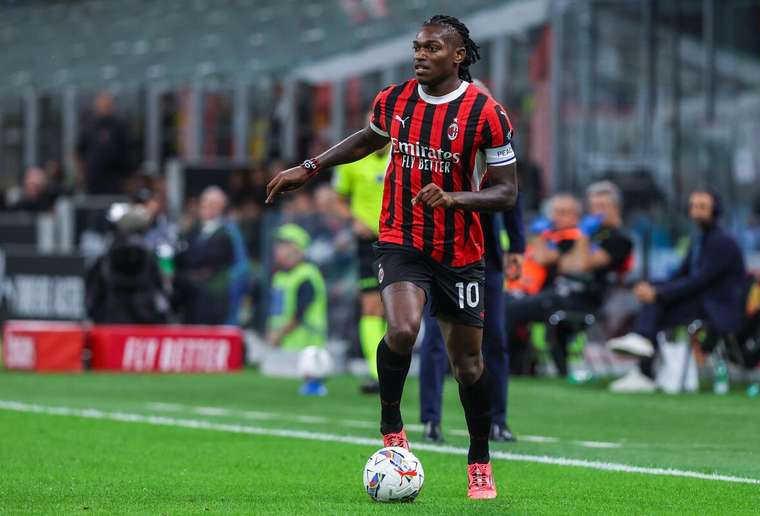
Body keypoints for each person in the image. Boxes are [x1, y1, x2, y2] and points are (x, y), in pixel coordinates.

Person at [266, 15, 517, 499]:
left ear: (458, 55)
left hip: (460, 251)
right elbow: (368, 139)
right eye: (417, 47)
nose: (420, 55)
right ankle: (391, 423)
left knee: (468, 365)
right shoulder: (395, 99)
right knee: (403, 329)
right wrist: (310, 166)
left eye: (433, 49)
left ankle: (480, 459)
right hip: (402, 238)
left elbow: (506, 193)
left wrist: (455, 198)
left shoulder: (487, 113)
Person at [419, 79, 525, 444]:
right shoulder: (434, 138)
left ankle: (498, 418)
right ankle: (431, 419)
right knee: (435, 338)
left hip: (485, 251)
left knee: (493, 336)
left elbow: (511, 194)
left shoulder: (495, 134)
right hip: (441, 248)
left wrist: (518, 247)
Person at [607, 189, 746, 393]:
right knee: (655, 300)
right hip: (700, 302)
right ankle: (643, 363)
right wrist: (651, 287)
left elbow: (699, 281)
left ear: (715, 210)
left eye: (702, 207)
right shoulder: (699, 240)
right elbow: (680, 275)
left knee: (658, 302)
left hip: (717, 308)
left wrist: (659, 293)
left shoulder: (722, 242)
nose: (696, 212)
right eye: (693, 207)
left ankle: (643, 354)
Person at [506, 183, 633, 376]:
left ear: (616, 208)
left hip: (584, 298)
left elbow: (579, 265)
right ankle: (517, 365)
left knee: (511, 309)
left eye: (602, 206)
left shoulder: (619, 239)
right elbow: (563, 264)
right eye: (593, 206)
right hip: (559, 293)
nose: (596, 212)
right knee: (505, 301)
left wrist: (582, 237)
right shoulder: (590, 234)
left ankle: (513, 368)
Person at [332, 144, 390, 394]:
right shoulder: (353, 160)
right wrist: (354, 221)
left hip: (398, 239)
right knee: (371, 306)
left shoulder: (402, 155)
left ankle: (390, 368)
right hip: (367, 243)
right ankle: (378, 373)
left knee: (394, 307)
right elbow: (338, 199)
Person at [267, 224, 328, 395]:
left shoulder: (307, 275)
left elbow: (299, 314)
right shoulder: (280, 276)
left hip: (308, 348)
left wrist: (277, 335)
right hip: (285, 345)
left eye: (281, 245)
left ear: (295, 248)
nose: (276, 250)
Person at [175, 186, 248, 325]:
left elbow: (236, 265)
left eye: (212, 204)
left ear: (221, 207)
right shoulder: (192, 230)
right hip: (191, 298)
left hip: (214, 297)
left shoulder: (228, 232)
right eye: (205, 203)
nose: (207, 208)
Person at [75, 91, 132, 195]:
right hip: (93, 179)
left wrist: (128, 178)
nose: (105, 106)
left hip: (116, 180)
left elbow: (127, 152)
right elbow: (79, 152)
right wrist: (81, 174)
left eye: (108, 104)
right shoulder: (89, 126)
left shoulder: (120, 126)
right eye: (102, 103)